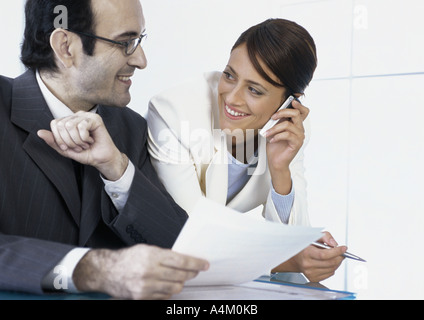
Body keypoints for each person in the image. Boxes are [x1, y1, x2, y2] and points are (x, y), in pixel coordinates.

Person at [0, 0, 209, 300]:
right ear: (65, 46)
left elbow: (178, 250)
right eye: (125, 42)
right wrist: (96, 268)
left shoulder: (132, 130)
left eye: (138, 40)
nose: (140, 59)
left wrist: (118, 170)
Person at [147, 19, 346, 282]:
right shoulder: (174, 112)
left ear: (289, 102)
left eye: (254, 89)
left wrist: (279, 170)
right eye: (230, 75)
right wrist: (286, 261)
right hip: (151, 260)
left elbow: (294, 236)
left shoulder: (289, 129)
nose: (231, 98)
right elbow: (190, 238)